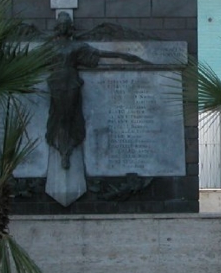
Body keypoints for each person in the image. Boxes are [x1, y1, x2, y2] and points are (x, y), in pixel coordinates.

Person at [45, 14, 147, 170]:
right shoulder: (49, 47)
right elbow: (30, 58)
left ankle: (68, 149)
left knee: (70, 115)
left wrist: (123, 55)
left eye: (66, 24)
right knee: (59, 116)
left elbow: (100, 53)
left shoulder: (77, 46)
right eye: (61, 24)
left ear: (70, 28)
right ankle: (62, 150)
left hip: (71, 81)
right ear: (57, 27)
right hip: (55, 82)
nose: (64, 27)